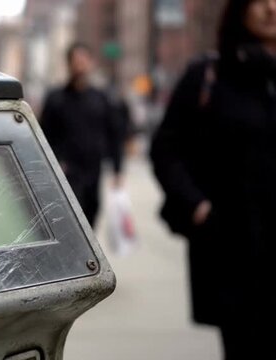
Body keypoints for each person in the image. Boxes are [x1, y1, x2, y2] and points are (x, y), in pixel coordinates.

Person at [150, 0, 276, 358]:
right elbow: (166, 150)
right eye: (259, 0)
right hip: (234, 251)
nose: (270, 8)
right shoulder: (209, 75)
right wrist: (198, 207)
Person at [40, 43, 125, 226]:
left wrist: (118, 170)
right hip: (65, 173)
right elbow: (43, 136)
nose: (80, 65)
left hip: (94, 171)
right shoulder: (55, 99)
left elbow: (114, 134)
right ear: (69, 64)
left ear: (91, 63)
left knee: (91, 217)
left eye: (83, 61)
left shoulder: (101, 98)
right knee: (70, 223)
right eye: (76, 61)